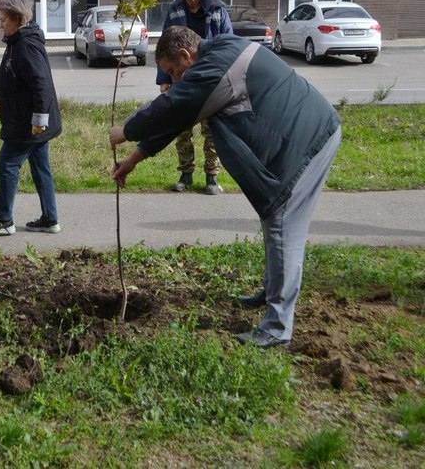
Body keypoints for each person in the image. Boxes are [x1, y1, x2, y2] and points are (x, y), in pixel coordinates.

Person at [109, 26, 341, 349]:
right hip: (308, 134)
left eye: (175, 72)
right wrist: (133, 159)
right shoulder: (216, 58)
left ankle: (277, 328)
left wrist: (127, 130)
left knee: (281, 224)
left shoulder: (216, 66)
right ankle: (271, 292)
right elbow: (179, 118)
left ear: (186, 56)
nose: (175, 80)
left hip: (306, 142)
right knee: (274, 221)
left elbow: (174, 106)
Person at [0, 0, 62, 237]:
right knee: (40, 168)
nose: (1, 24)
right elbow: (17, 78)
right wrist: (3, 101)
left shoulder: (26, 44)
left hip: (28, 125)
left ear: (18, 19)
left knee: (7, 164)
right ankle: (50, 219)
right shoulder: (17, 42)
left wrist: (39, 121)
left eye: (4, 20)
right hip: (25, 119)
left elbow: (41, 85)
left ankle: (5, 220)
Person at [159, 0, 232, 195]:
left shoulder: (217, 9)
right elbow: (164, 46)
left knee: (211, 131)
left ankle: (212, 176)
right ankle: (186, 175)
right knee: (182, 129)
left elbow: (228, 42)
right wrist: (164, 79)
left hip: (210, 78)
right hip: (181, 78)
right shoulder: (174, 11)